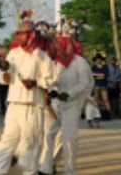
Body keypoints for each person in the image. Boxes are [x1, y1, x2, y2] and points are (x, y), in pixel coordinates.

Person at [0, 11, 51, 175]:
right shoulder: (13, 54)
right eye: (17, 33)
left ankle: (30, 172)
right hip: (14, 103)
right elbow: (1, 76)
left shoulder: (42, 56)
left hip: (32, 105)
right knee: (7, 140)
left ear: (31, 35)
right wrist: (5, 77)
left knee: (30, 142)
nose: (18, 36)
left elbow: (51, 80)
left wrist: (36, 83)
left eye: (22, 33)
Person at [39, 20, 93, 175]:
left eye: (60, 42)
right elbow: (48, 79)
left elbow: (84, 83)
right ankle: (46, 168)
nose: (56, 45)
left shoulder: (79, 62)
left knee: (69, 139)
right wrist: (50, 90)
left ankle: (69, 171)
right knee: (48, 135)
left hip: (72, 104)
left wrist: (69, 94)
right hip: (55, 103)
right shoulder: (52, 61)